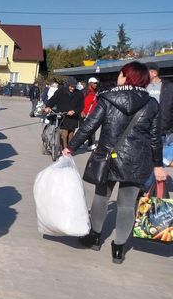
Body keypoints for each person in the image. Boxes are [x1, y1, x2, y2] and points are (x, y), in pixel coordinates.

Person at [62, 62, 166, 263]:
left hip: (107, 157)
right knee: (127, 205)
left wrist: (71, 147)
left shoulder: (107, 98)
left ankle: (94, 237)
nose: (118, 77)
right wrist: (158, 164)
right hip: (137, 161)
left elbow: (89, 127)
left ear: (127, 77)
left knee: (101, 197)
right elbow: (155, 138)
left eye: (121, 74)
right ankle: (118, 248)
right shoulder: (151, 103)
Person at [44, 77, 83, 150]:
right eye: (71, 86)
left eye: (74, 87)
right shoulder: (60, 91)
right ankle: (64, 152)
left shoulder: (79, 93)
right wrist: (48, 107)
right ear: (67, 85)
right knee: (64, 135)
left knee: (70, 136)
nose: (72, 88)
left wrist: (74, 111)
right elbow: (52, 100)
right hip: (62, 116)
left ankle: (68, 149)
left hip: (73, 118)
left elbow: (81, 106)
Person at [146, 62, 173, 136]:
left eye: (144, 72)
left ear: (154, 73)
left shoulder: (170, 87)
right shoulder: (141, 87)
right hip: (146, 131)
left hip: (165, 132)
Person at [81, 77, 100, 150]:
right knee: (83, 129)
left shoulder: (96, 92)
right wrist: (81, 111)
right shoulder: (84, 92)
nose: (96, 84)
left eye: (96, 83)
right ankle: (81, 143)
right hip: (84, 114)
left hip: (93, 114)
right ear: (90, 83)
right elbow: (79, 102)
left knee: (92, 129)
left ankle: (90, 144)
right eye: (94, 83)